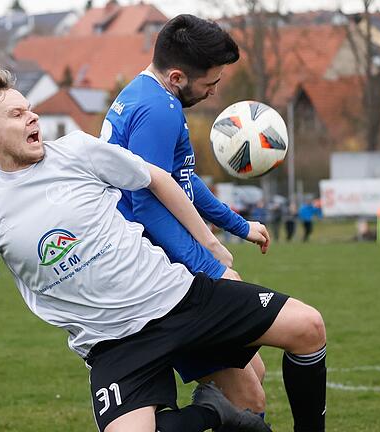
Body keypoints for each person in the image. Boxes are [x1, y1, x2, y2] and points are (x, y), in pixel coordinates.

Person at [0, 67, 327, 432]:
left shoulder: (77, 152)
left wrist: (210, 243)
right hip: (114, 345)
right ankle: (211, 413)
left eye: (30, 109)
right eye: (16, 114)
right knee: (230, 405)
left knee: (304, 331)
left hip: (180, 297)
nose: (32, 118)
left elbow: (157, 179)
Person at [100, 14, 273, 416]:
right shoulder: (157, 110)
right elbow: (147, 205)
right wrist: (211, 266)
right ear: (177, 76)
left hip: (161, 263)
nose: (214, 93)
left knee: (252, 373)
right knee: (247, 399)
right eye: (210, 84)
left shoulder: (148, 96)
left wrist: (239, 225)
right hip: (153, 274)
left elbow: (182, 183)